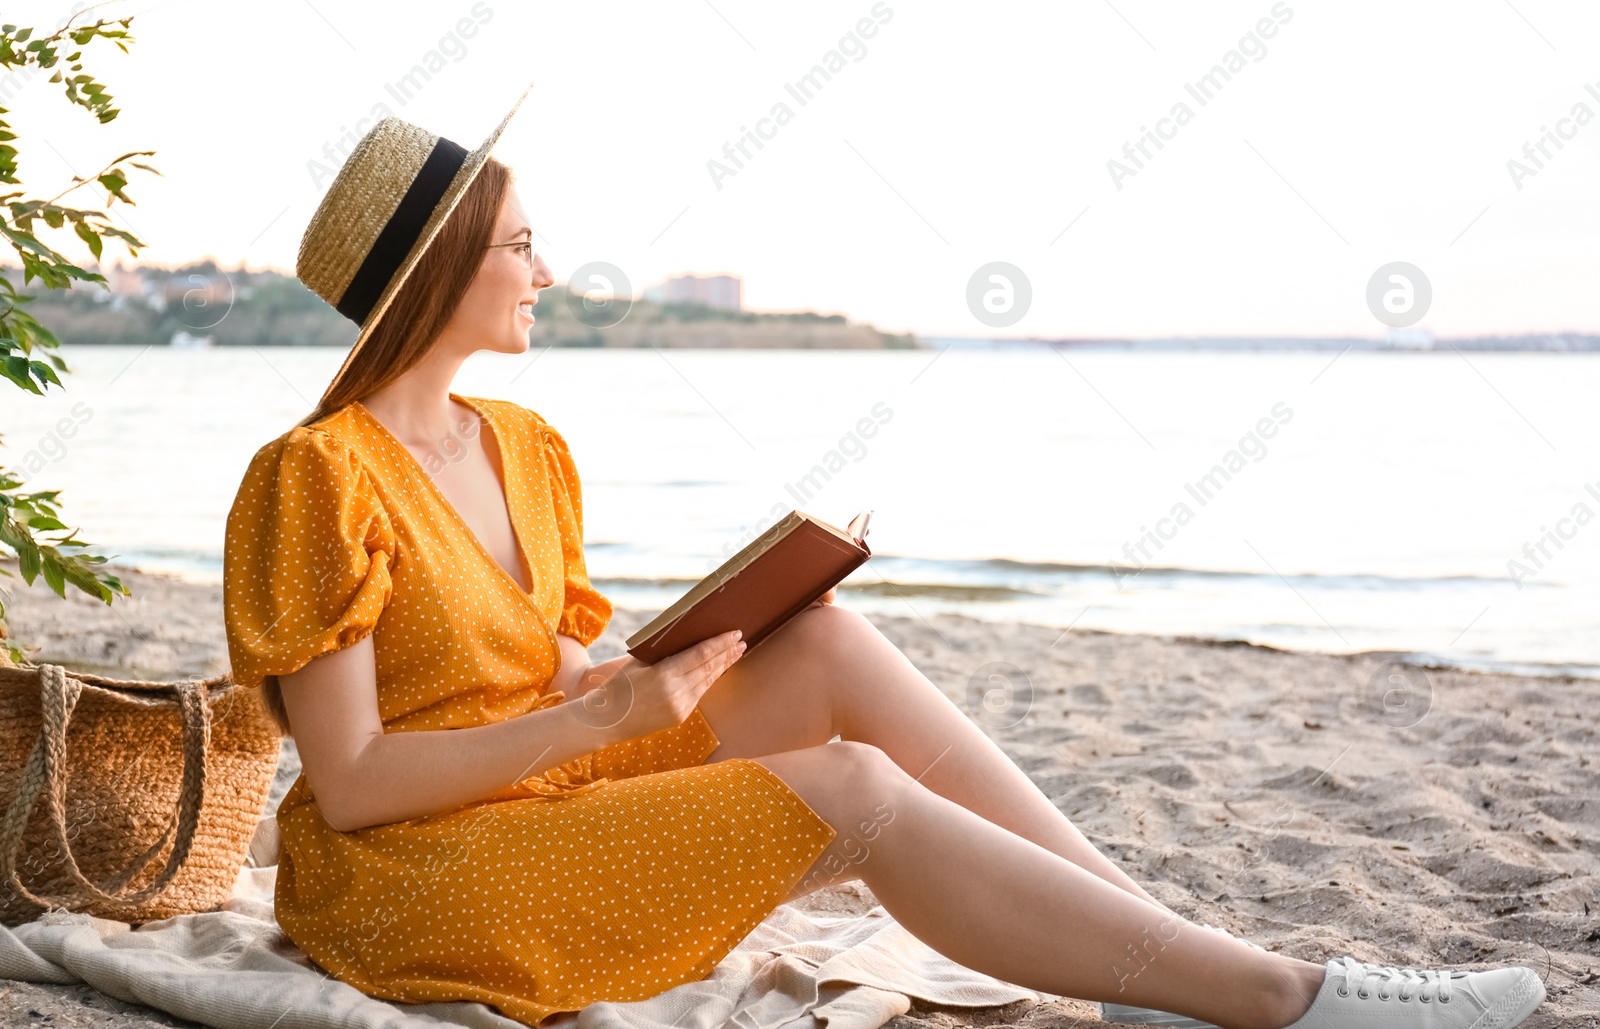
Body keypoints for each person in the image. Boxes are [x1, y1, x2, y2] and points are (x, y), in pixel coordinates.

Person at [223, 94, 1546, 1029]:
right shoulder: (316, 479)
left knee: (825, 643)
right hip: (410, 876)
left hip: (542, 779)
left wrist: (648, 668)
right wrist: (619, 710)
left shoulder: (527, 446)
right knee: (852, 787)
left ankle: (1166, 961)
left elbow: (540, 666)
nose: (547, 270)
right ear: (443, 265)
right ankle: (1271, 1001)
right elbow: (354, 787)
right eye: (519, 246)